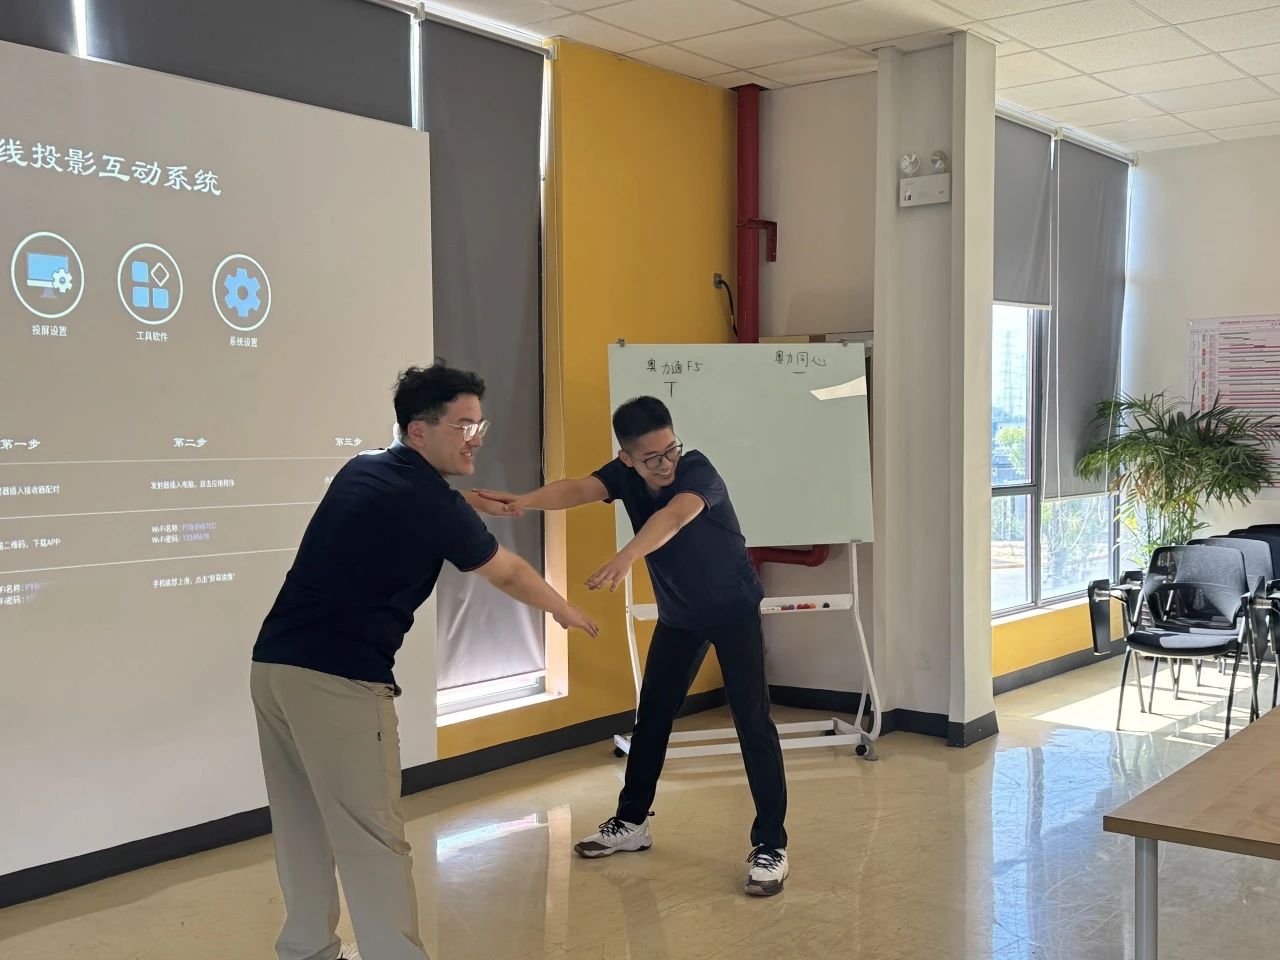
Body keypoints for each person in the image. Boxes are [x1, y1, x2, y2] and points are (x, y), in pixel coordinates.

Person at [250, 362, 597, 960]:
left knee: (302, 822)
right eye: (463, 425)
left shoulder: (365, 468)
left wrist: (461, 501)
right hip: (340, 680)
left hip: (275, 667)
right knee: (373, 836)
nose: (475, 438)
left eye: (479, 425)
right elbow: (508, 572)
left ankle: (306, 949)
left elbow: (412, 503)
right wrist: (564, 610)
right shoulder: (433, 504)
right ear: (418, 430)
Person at [476, 395, 790, 897]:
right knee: (652, 719)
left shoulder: (698, 471)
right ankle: (632, 823)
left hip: (733, 611)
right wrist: (525, 500)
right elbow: (579, 488)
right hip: (680, 617)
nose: (665, 464)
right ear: (627, 457)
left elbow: (673, 518)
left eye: (670, 450)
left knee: (752, 722)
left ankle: (771, 845)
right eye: (651, 458)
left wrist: (625, 557)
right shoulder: (622, 476)